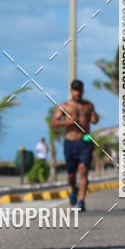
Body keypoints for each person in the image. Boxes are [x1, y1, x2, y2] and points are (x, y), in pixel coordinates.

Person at [50, 79, 99, 211]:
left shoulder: (88, 105)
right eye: (75, 90)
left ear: (82, 91)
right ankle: (74, 189)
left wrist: (95, 118)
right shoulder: (64, 106)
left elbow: (94, 120)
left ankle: (81, 200)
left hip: (85, 141)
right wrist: (67, 122)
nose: (77, 92)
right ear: (71, 91)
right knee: (71, 175)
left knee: (83, 170)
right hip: (70, 142)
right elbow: (53, 122)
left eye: (79, 90)